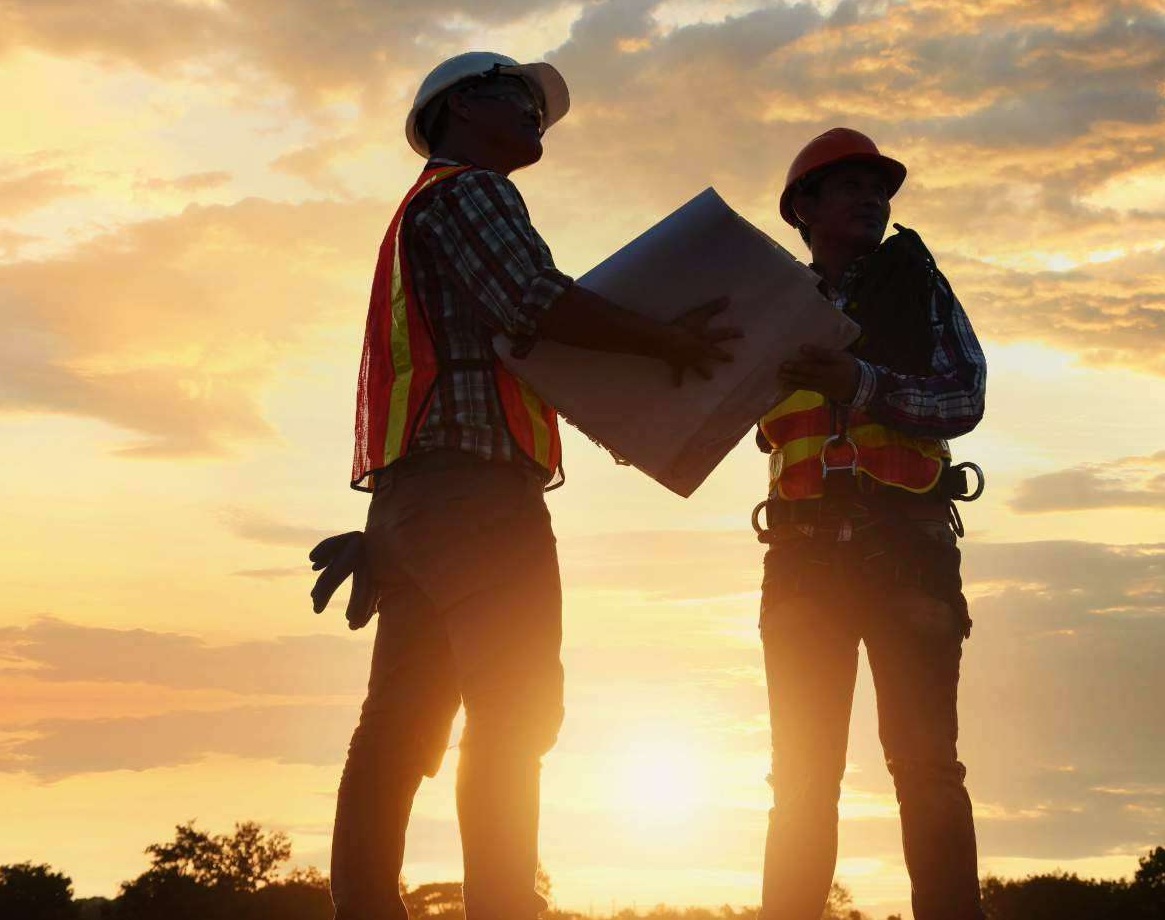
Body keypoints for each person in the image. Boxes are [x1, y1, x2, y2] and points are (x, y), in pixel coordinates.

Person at [332, 51, 739, 920]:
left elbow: (474, 359)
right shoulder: (471, 192)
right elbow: (535, 303)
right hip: (475, 504)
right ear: (464, 107)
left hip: (418, 504)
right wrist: (667, 342)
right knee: (513, 718)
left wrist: (390, 523)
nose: (536, 117)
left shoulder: (418, 213)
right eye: (520, 99)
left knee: (398, 730)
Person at [754, 127, 990, 920]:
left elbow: (965, 398)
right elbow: (703, 410)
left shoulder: (917, 286)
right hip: (801, 559)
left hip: (907, 553)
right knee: (802, 783)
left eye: (879, 188)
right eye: (851, 186)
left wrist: (859, 381)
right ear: (805, 209)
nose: (873, 199)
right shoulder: (766, 307)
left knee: (927, 769)